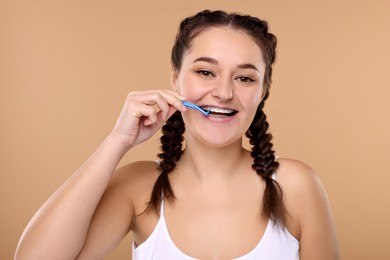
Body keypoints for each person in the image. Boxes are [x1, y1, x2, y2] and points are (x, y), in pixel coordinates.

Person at [15, 10, 339, 260]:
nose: (224, 92)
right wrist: (117, 141)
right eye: (205, 72)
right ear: (175, 80)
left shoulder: (297, 185)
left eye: (244, 78)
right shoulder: (139, 188)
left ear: (263, 91)